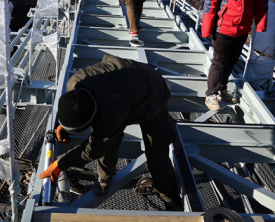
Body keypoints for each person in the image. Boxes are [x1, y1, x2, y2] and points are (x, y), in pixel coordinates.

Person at [39, 54, 183, 211]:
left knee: (157, 154)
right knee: (109, 136)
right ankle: (105, 177)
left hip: (153, 93)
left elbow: (95, 148)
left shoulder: (111, 111)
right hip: (125, 78)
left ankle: (171, 199)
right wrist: (65, 127)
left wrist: (60, 164)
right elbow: (94, 128)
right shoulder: (74, 84)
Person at [201, 0, 268, 111]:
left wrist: (260, 25)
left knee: (232, 61)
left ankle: (221, 90)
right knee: (219, 61)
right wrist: (207, 28)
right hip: (223, 27)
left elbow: (262, 2)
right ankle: (211, 94)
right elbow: (211, 2)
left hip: (242, 29)